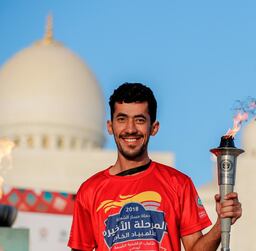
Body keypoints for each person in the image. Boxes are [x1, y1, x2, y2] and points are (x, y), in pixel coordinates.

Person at [68, 83, 242, 251]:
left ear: (154, 127)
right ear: (110, 126)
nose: (130, 129)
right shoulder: (89, 191)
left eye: (140, 120)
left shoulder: (178, 184)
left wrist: (221, 223)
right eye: (122, 119)